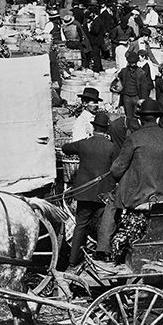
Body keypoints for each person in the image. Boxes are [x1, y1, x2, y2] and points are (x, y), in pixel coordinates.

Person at [93, 99, 163, 275]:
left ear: (141, 119)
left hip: (141, 193)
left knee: (112, 203)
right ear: (157, 118)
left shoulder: (134, 138)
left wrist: (119, 175)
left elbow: (117, 169)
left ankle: (103, 250)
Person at [57, 111, 118, 273]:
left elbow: (65, 148)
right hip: (104, 194)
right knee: (102, 225)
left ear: (93, 127)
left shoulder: (84, 144)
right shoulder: (112, 147)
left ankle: (72, 261)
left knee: (81, 225)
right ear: (106, 130)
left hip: (84, 193)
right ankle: (102, 257)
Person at [113, 48, 153, 127]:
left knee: (137, 116)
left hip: (136, 97)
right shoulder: (124, 71)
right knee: (128, 117)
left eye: (134, 63)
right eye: (131, 63)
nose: (132, 65)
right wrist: (114, 87)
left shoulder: (141, 73)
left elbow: (144, 87)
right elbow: (117, 80)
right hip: (126, 97)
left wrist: (143, 99)